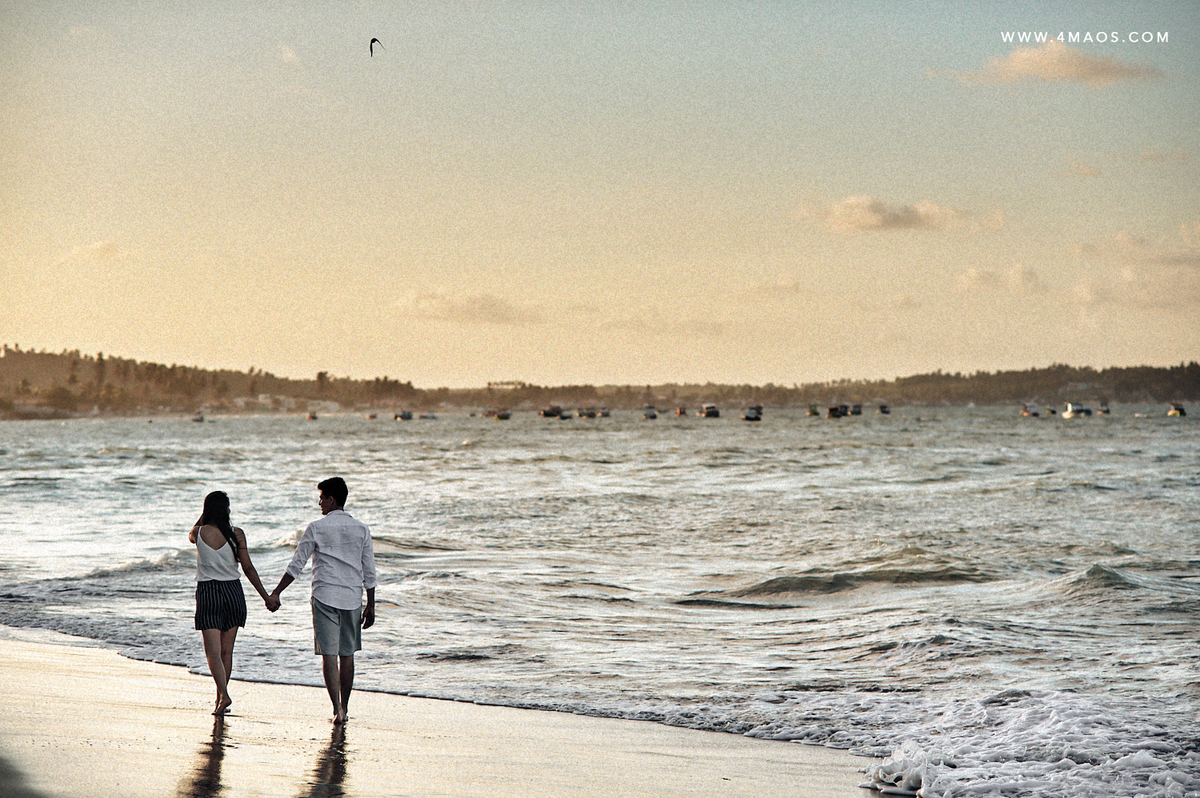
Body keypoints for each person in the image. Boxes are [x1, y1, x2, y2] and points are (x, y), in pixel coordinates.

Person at [270, 477, 377, 725]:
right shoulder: (361, 529)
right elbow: (369, 571)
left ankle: (336, 709)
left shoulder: (316, 528)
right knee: (347, 655)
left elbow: (297, 565)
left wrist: (276, 593)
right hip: (352, 598)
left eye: (321, 498)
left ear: (331, 499)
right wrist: (371, 604)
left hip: (324, 596)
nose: (319, 503)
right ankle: (345, 708)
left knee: (329, 655)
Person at [190, 490, 277, 715]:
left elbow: (192, 532)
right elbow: (248, 568)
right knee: (226, 652)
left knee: (213, 653)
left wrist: (205, 514)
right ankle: (220, 699)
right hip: (233, 592)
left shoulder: (198, 532)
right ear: (226, 509)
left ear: (206, 510)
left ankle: (223, 695)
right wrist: (266, 597)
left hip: (209, 592)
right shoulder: (237, 534)